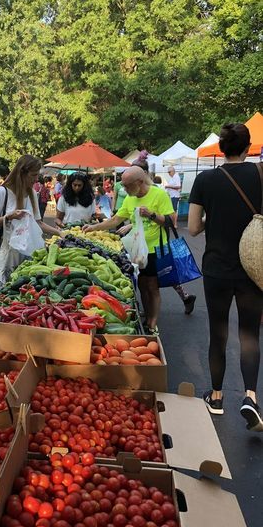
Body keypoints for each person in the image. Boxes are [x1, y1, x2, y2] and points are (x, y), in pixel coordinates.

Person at [188, 123, 263, 431]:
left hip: (217, 268)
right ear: (248, 148)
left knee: (217, 333)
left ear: (221, 148)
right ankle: (250, 397)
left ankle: (216, 397)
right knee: (249, 335)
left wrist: (214, 216)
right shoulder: (260, 174)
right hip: (253, 266)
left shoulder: (205, 179)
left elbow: (192, 227)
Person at [83, 166, 174, 334]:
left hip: (154, 249)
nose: (124, 189)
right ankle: (147, 316)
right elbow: (116, 220)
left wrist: (152, 215)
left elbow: (171, 221)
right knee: (142, 284)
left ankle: (153, 323)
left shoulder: (159, 195)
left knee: (152, 286)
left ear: (140, 182)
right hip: (136, 251)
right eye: (123, 186)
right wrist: (94, 227)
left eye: (127, 186)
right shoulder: (130, 199)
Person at [134, 159, 196, 315]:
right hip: (143, 243)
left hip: (159, 242)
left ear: (144, 174)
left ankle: (181, 299)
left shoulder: (155, 191)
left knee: (165, 272)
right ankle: (185, 297)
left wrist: (151, 215)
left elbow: (170, 218)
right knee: (162, 273)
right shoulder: (136, 193)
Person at [0, 155, 61, 283]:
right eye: (33, 175)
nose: (36, 179)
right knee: (8, 288)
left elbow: (39, 223)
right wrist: (9, 216)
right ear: (22, 173)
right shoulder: (2, 192)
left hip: (30, 255)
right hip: (10, 253)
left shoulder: (32, 193)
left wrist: (60, 233)